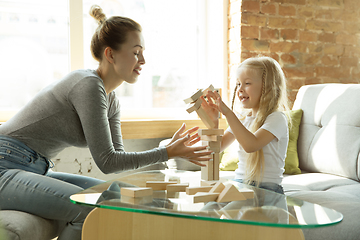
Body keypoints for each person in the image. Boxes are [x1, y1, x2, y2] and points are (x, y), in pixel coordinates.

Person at [0, 5, 212, 240]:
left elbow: (115, 159)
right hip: (4, 165)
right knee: (91, 208)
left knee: (114, 196)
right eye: (136, 52)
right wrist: (166, 152)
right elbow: (107, 162)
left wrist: (166, 152)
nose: (143, 60)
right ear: (110, 54)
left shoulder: (111, 100)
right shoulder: (87, 85)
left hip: (35, 168)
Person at [202, 56, 290, 194]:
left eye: (247, 83)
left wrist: (228, 113)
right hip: (241, 185)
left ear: (267, 87)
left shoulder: (277, 118)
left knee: (221, 208)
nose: (240, 89)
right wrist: (213, 124)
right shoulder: (242, 118)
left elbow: (251, 145)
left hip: (268, 190)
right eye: (238, 84)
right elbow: (217, 148)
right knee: (210, 206)